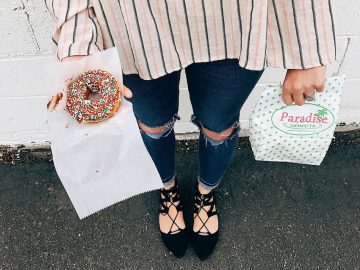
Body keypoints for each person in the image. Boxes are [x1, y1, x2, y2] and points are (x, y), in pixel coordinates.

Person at [46, 0, 337, 261]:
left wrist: (307, 49)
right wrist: (78, 43)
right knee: (152, 125)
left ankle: (205, 191)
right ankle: (168, 188)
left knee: (218, 127)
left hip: (235, 20)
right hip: (129, 23)